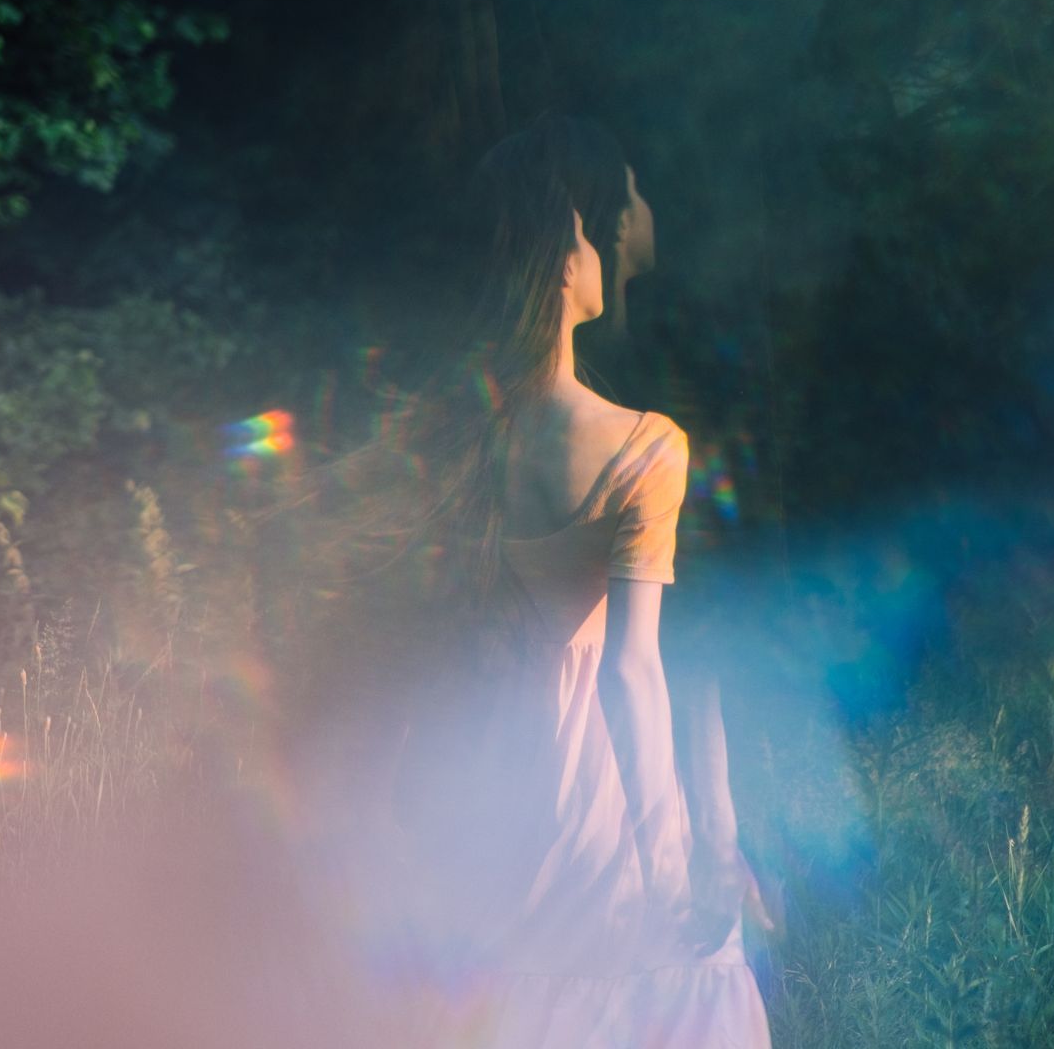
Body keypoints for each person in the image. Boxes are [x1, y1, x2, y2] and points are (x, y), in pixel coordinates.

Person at [261, 112, 772, 1048]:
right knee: (653, 995)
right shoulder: (644, 446)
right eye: (629, 195)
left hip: (483, 774)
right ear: (579, 237)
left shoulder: (452, 436)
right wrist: (674, 864)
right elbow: (636, 671)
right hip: (598, 795)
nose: (644, 211)